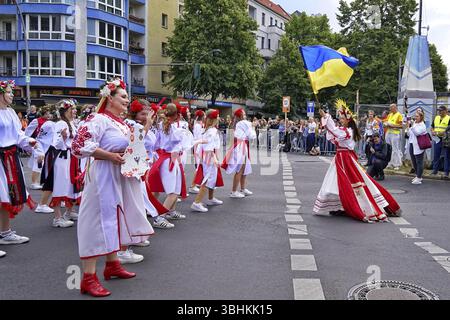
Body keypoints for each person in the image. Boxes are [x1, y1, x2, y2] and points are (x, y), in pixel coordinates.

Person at [72, 78, 154, 297]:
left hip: (118, 175)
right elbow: (79, 145)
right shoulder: (97, 119)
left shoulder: (120, 122)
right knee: (96, 221)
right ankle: (88, 278)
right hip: (103, 175)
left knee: (114, 218)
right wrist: (109, 156)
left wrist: (146, 126)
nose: (128, 101)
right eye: (124, 97)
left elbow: (135, 143)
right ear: (109, 97)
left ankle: (112, 264)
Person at [313, 100, 401, 223]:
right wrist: (326, 119)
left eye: (343, 118)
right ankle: (340, 205)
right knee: (335, 183)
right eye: (340, 118)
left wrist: (326, 116)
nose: (341, 120)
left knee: (353, 183)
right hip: (340, 158)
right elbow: (332, 134)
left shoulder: (349, 131)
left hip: (346, 160)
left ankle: (353, 206)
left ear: (348, 120)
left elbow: (335, 132)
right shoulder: (344, 130)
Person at [0, 80, 37, 256]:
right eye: (8, 92)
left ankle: (5, 233)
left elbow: (19, 135)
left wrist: (31, 144)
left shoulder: (12, 112)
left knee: (6, 196)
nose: (12, 94)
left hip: (10, 158)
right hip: (1, 157)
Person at [191, 109, 224, 212]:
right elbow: (209, 148)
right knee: (207, 179)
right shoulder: (212, 131)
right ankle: (196, 202)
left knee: (212, 177)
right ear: (214, 119)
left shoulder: (208, 129)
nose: (219, 118)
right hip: (209, 157)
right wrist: (215, 159)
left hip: (208, 156)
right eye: (217, 116)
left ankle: (210, 198)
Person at [221, 108, 256, 198]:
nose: (245, 115)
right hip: (241, 146)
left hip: (241, 145)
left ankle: (242, 188)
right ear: (241, 115)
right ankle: (234, 191)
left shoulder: (239, 123)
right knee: (240, 169)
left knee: (244, 169)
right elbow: (252, 136)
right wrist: (254, 127)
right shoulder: (245, 123)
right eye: (244, 114)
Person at [24, 105, 53, 190]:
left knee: (43, 163)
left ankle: (40, 181)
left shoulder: (52, 122)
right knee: (39, 161)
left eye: (49, 113)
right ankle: (34, 182)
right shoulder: (36, 121)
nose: (48, 115)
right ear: (42, 113)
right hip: (38, 143)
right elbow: (27, 132)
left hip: (47, 145)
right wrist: (28, 142)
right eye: (46, 113)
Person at [407, 110, 427, 185]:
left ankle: (419, 177)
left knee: (419, 161)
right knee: (413, 161)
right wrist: (408, 128)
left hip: (419, 145)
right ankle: (417, 175)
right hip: (412, 143)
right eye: (415, 116)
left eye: (417, 116)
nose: (415, 118)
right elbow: (410, 134)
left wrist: (412, 126)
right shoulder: (414, 123)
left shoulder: (422, 125)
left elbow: (417, 133)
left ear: (421, 117)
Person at [431, 105, 450, 179]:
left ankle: (446, 172)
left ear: (445, 111)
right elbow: (432, 126)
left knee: (446, 156)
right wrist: (432, 131)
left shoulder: (449, 118)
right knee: (436, 155)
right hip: (437, 139)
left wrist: (442, 133)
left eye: (441, 110)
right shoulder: (436, 117)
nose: (439, 112)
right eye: (439, 110)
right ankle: (435, 171)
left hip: (446, 139)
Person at [385, 104, 404, 170]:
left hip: (395, 134)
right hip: (388, 133)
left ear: (395, 108)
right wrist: (386, 124)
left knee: (395, 149)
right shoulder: (390, 114)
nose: (390, 109)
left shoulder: (399, 115)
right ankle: (390, 163)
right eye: (390, 108)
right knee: (389, 149)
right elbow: (386, 121)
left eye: (391, 108)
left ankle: (397, 164)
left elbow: (401, 126)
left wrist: (393, 126)